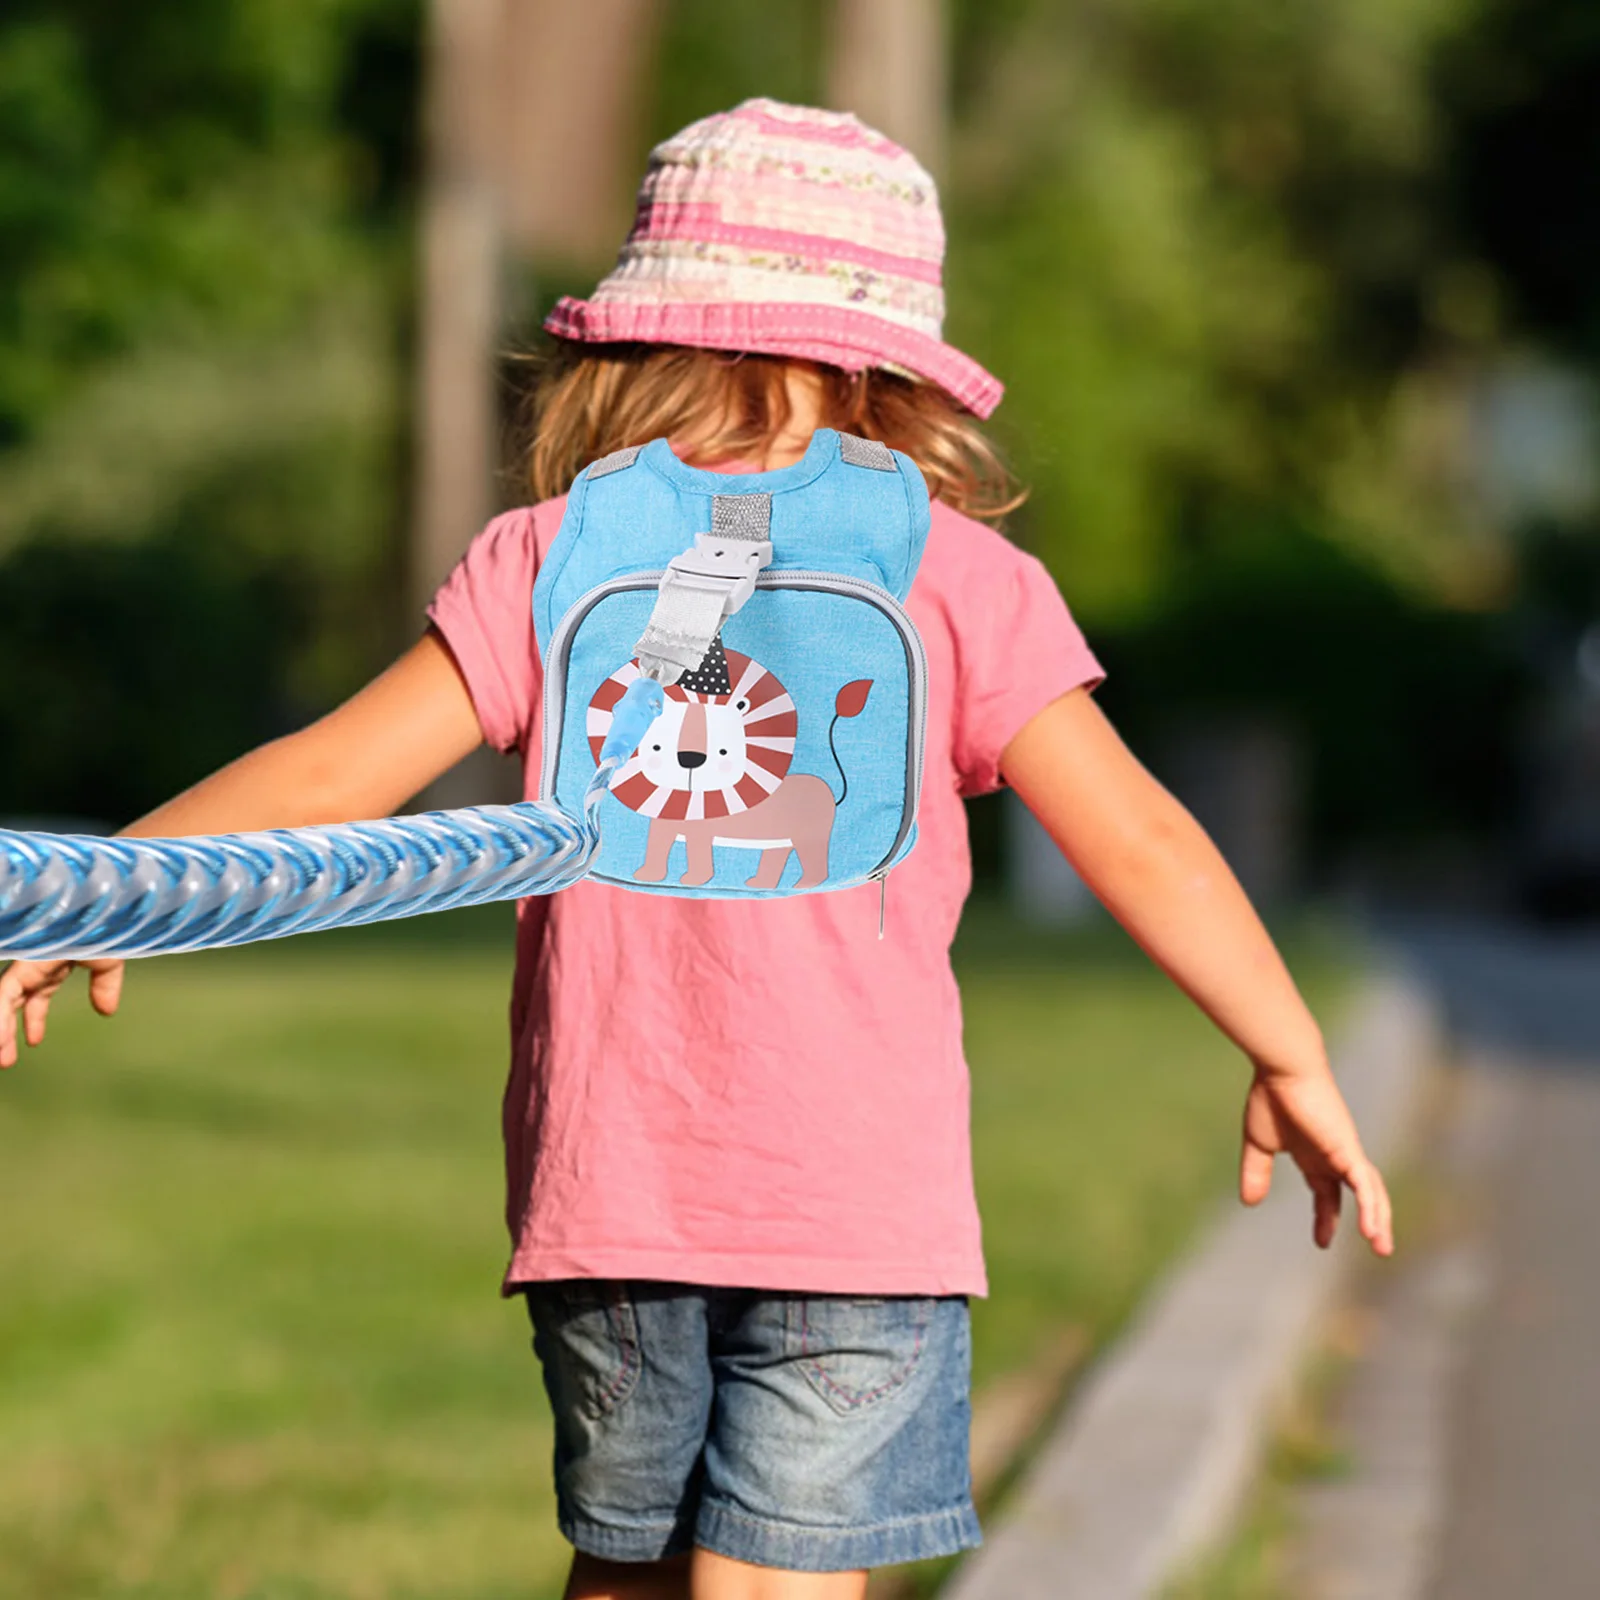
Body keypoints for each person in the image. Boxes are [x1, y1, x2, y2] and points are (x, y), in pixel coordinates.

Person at [0, 100, 1392, 1600]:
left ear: (638, 338)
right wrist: (1288, 1049)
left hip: (614, 1208)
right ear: (878, 365)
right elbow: (1145, 837)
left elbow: (333, 773)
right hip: (854, 1219)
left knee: (626, 1580)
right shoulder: (957, 575)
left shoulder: (551, 560)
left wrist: (109, 896)